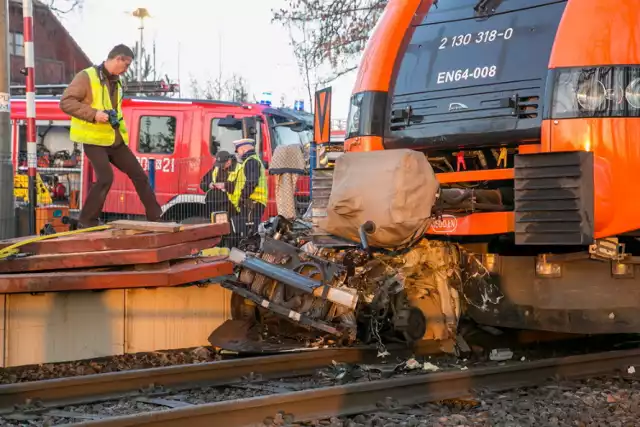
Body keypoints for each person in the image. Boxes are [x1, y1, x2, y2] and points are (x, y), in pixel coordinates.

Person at [59, 44, 162, 228]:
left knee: (139, 176)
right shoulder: (86, 77)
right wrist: (94, 114)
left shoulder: (117, 81)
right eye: (127, 64)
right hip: (93, 139)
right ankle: (87, 220)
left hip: (114, 139)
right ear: (118, 59)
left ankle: (156, 218)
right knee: (106, 177)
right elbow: (66, 102)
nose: (127, 69)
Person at [226, 138, 267, 246]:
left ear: (243, 149)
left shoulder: (251, 162)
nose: (238, 154)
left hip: (251, 203)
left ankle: (251, 256)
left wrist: (242, 197)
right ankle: (251, 253)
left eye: (238, 151)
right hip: (253, 202)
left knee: (250, 234)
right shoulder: (252, 161)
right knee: (250, 232)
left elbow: (251, 182)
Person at [199, 150, 237, 216]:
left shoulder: (238, 168)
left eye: (222, 164)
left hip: (228, 204)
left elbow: (241, 186)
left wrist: (225, 186)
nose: (220, 166)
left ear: (229, 161)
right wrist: (209, 185)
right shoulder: (216, 168)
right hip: (211, 203)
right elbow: (202, 184)